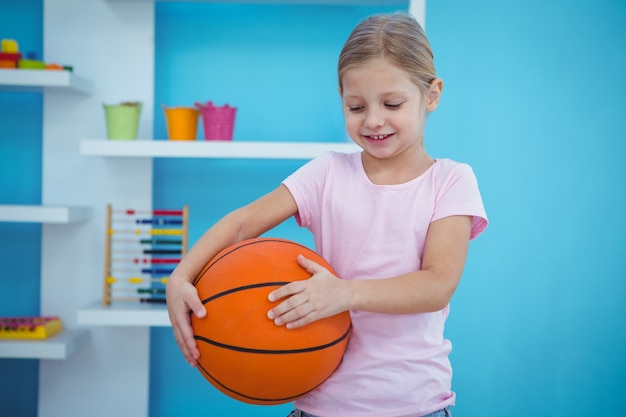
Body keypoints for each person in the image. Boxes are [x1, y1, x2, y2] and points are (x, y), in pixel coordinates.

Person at [166, 12, 488, 417]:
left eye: (392, 103)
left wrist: (343, 293)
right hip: (320, 406)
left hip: (414, 405)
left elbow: (437, 285)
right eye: (356, 106)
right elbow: (243, 223)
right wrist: (181, 276)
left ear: (432, 94)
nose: (373, 120)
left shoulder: (451, 181)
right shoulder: (328, 172)